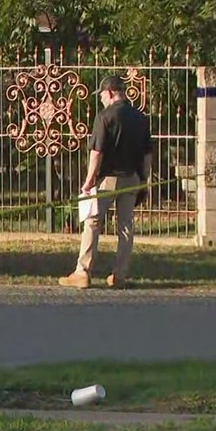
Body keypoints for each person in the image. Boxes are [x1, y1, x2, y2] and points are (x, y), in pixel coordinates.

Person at [59, 75, 153, 289]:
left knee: (92, 222)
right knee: (126, 227)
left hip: (107, 180)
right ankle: (119, 275)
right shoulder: (140, 118)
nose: (101, 99)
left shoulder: (105, 117)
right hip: (132, 178)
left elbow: (96, 153)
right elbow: (147, 155)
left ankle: (82, 272)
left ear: (110, 93)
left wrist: (89, 181)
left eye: (101, 95)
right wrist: (143, 180)